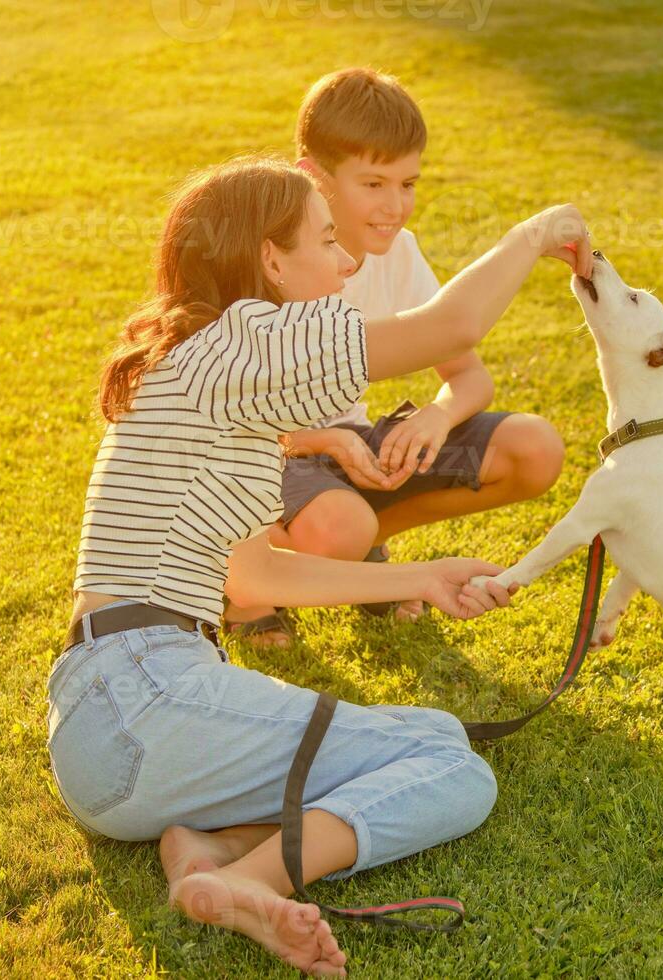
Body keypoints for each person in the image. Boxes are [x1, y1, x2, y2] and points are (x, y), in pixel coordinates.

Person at [48, 154, 592, 975]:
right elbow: (448, 331)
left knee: (425, 737)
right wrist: (536, 233)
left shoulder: (206, 364)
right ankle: (244, 885)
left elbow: (256, 578)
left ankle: (204, 847)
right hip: (146, 697)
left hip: (107, 727)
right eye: (327, 241)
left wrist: (421, 575)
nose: (349, 263)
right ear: (271, 258)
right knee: (451, 764)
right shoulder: (244, 337)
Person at [222, 68, 566, 645]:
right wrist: (328, 441)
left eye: (408, 184)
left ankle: (361, 563)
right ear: (313, 177)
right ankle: (244, 588)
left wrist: (436, 416)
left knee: (534, 449)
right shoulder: (268, 265)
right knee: (342, 525)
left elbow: (468, 376)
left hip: (353, 449)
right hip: (271, 458)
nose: (395, 206)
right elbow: (224, 424)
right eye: (374, 184)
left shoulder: (398, 252)